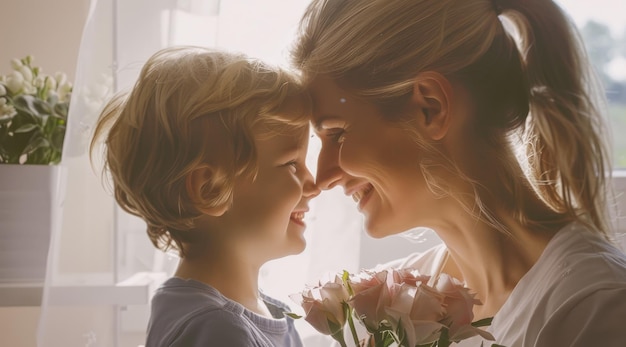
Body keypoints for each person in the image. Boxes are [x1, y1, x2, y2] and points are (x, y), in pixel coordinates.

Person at [290, 0, 626, 346]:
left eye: (338, 133)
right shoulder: (397, 303)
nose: (322, 177)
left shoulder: (594, 310)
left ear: (430, 107)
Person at [90, 46, 320, 346]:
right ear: (210, 190)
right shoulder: (219, 331)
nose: (313, 185)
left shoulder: (267, 314)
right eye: (291, 164)